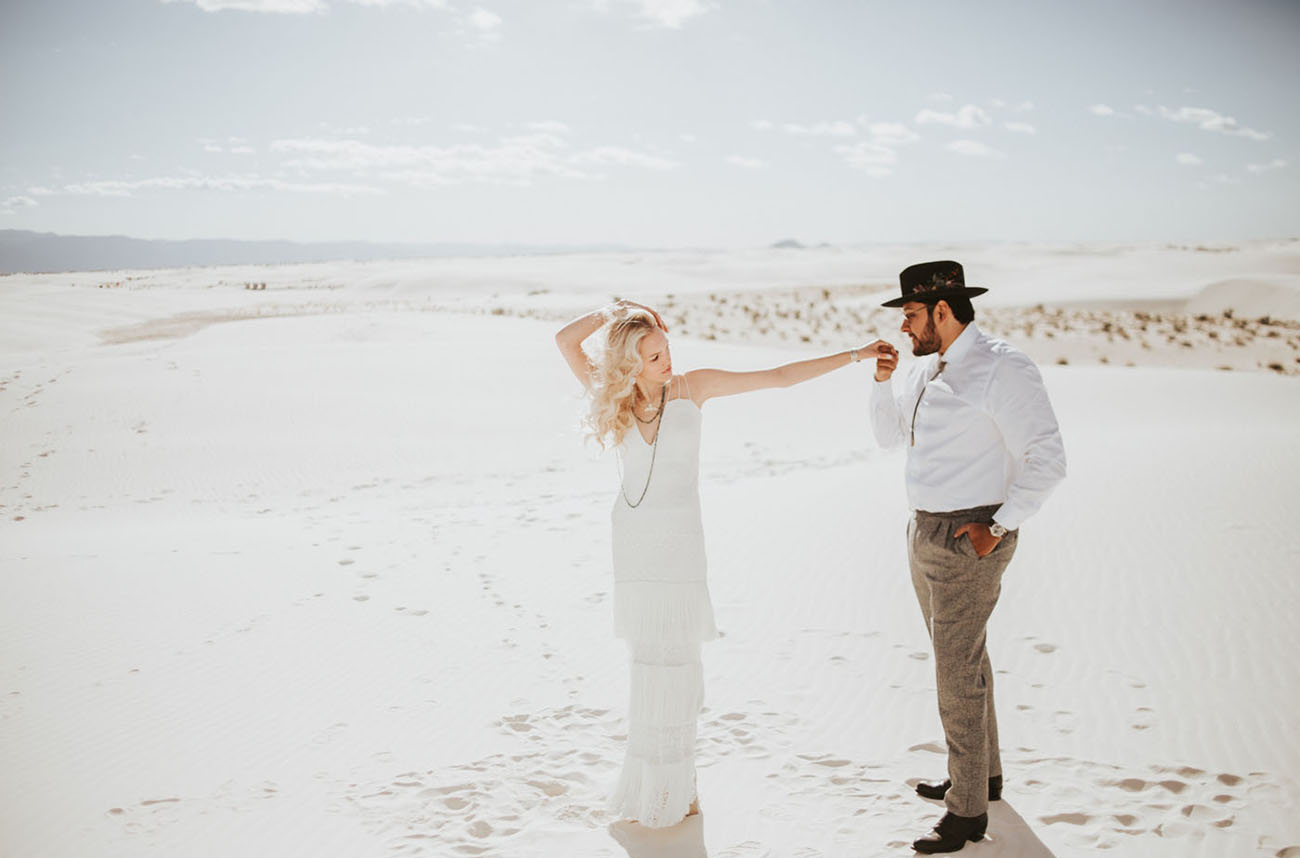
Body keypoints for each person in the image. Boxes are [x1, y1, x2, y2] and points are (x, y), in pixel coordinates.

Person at [556, 300, 896, 829]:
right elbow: (565, 341)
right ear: (630, 363)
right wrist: (614, 309)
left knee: (680, 670)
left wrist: (855, 355)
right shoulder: (614, 396)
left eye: (666, 349)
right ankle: (656, 789)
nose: (666, 361)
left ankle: (680, 789)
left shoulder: (693, 388)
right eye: (653, 356)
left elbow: (778, 377)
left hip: (681, 549)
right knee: (648, 669)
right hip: (636, 548)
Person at [869, 261, 1066, 854]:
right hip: (923, 531)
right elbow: (888, 438)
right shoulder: (925, 368)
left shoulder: (1003, 367)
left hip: (971, 534)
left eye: (910, 314)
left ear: (943, 310)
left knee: (955, 673)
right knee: (962, 660)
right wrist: (882, 382)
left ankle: (967, 814)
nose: (904, 326)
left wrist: (998, 527)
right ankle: (984, 777)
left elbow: (1047, 457)